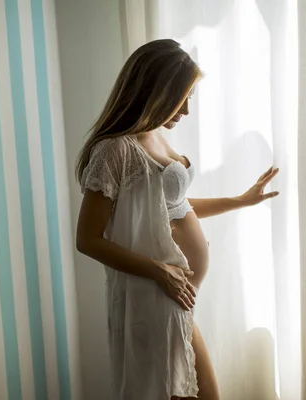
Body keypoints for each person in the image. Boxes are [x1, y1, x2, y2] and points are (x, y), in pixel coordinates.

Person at [75, 39, 279, 400]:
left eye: (189, 99)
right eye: (179, 98)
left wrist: (240, 201)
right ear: (153, 91)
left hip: (175, 296)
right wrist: (159, 270)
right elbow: (88, 240)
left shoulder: (154, 135)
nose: (185, 111)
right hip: (155, 293)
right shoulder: (115, 149)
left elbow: (173, 206)